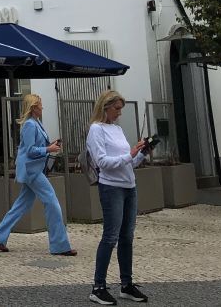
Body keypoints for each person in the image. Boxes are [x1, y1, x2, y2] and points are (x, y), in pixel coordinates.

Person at [0, 93, 75, 257]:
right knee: (52, 203)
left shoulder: (35, 123)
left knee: (22, 204)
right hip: (32, 171)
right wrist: (48, 149)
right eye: (40, 104)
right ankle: (59, 245)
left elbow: (34, 148)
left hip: (32, 169)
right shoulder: (30, 125)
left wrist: (50, 145)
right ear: (34, 107)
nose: (42, 107)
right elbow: (30, 151)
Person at [86, 90, 151, 305]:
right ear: (105, 107)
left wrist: (141, 153)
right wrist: (130, 154)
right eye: (117, 109)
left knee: (127, 237)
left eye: (121, 109)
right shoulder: (96, 130)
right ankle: (98, 287)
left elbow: (128, 163)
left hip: (129, 186)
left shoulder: (117, 129)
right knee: (110, 237)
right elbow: (102, 162)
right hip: (111, 187)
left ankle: (126, 285)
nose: (119, 113)